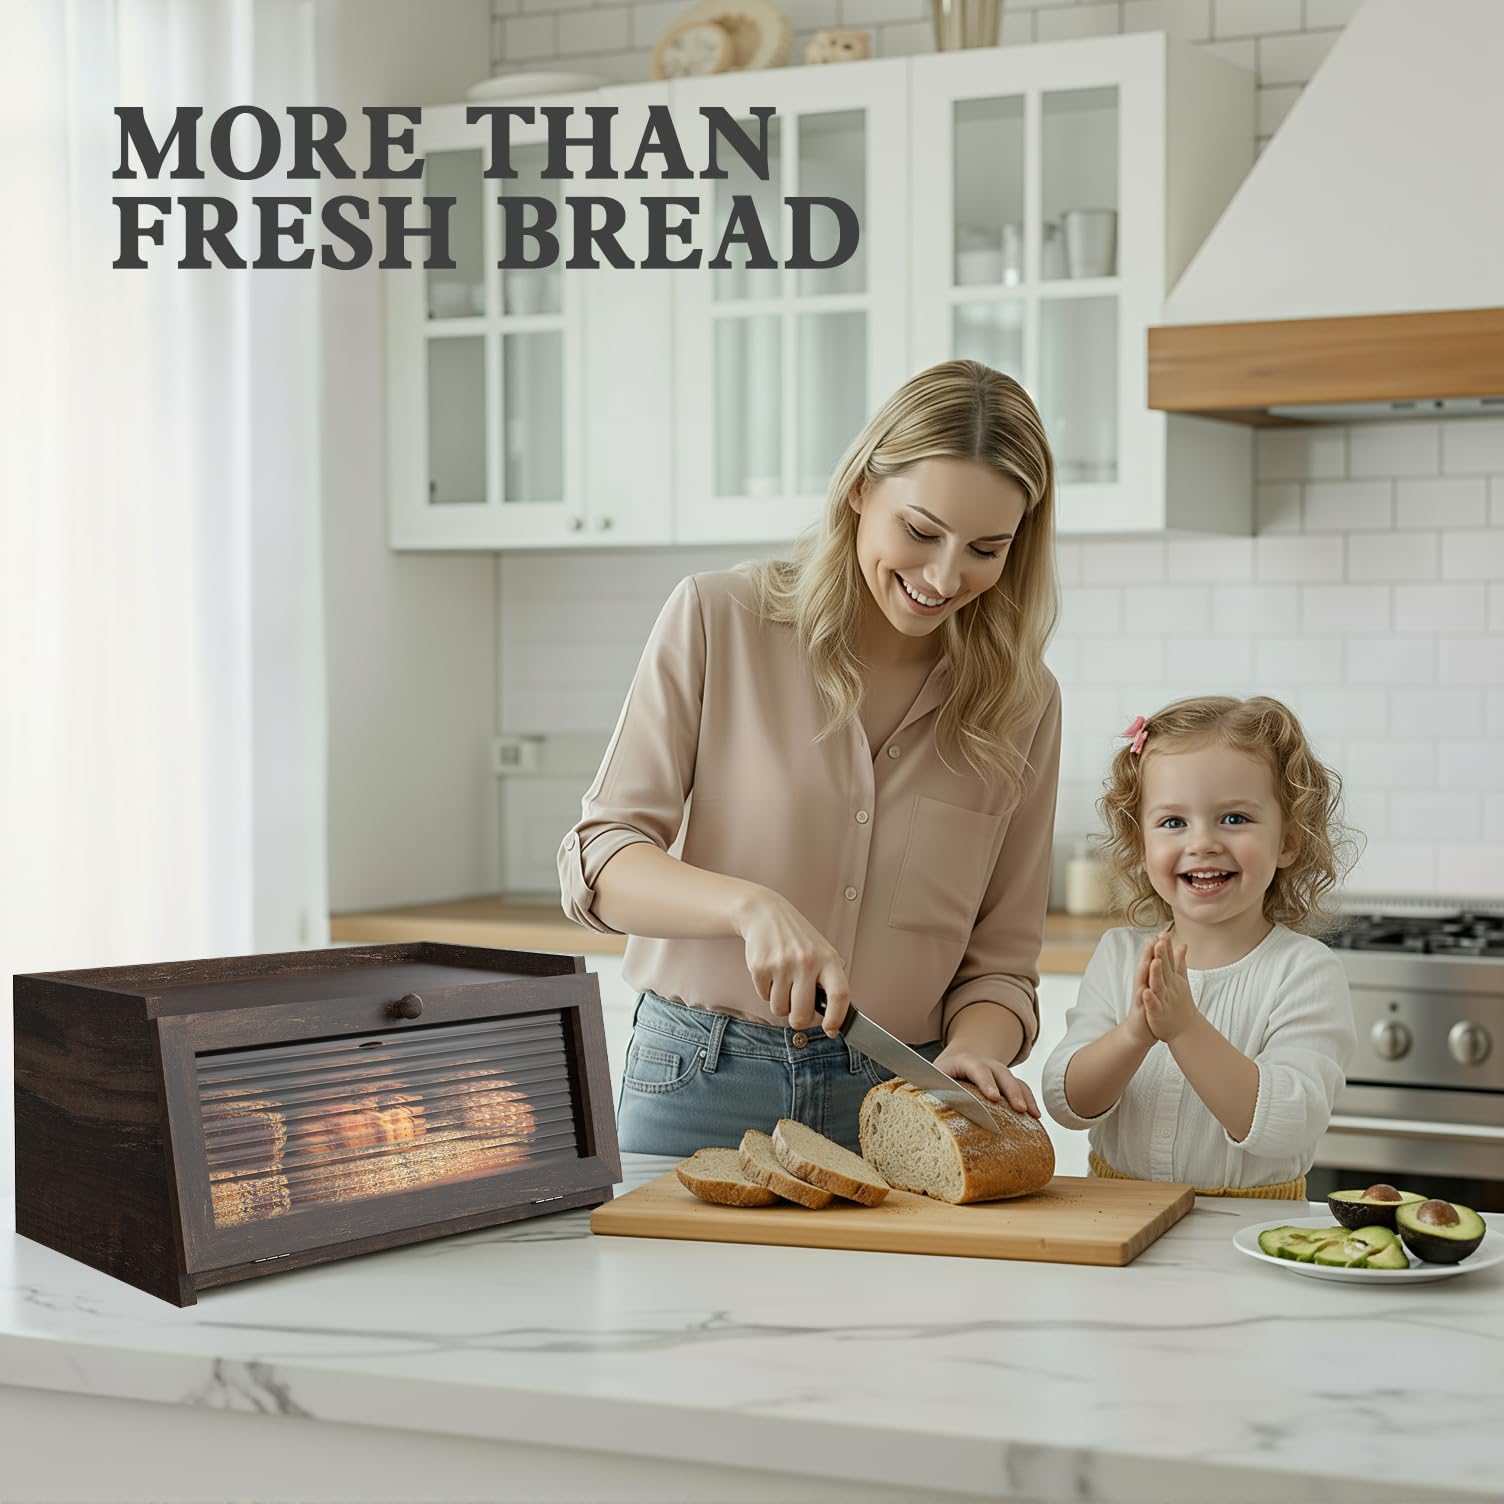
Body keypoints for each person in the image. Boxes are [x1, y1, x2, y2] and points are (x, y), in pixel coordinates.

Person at [557, 360, 1063, 1157]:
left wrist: (976, 1049)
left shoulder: (1023, 701)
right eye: (922, 532)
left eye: (985, 550)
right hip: (701, 1078)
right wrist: (747, 907)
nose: (943, 576)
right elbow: (600, 863)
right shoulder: (718, 619)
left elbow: (1001, 964)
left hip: (902, 1101)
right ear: (861, 487)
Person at [1042, 696, 1359, 1199]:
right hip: (1117, 1219)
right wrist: (1134, 1035)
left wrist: (1184, 1028)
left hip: (1249, 1231)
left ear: (1287, 842)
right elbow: (1067, 1103)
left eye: (1234, 818)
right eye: (1173, 823)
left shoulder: (1304, 971)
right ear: (1140, 844)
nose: (1203, 842)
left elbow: (1288, 1127)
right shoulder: (1120, 955)